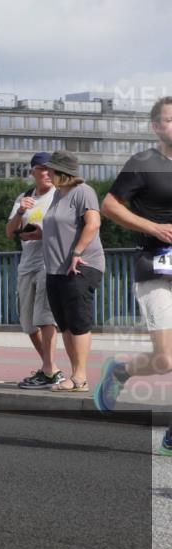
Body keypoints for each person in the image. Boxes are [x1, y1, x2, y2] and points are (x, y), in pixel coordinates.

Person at [95, 96, 172, 456]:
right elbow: (109, 206)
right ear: (156, 127)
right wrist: (152, 227)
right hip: (155, 267)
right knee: (166, 359)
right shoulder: (143, 163)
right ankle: (120, 372)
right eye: (169, 120)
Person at [40, 150, 105, 393]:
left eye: (51, 169)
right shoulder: (58, 195)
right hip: (56, 268)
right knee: (65, 324)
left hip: (81, 266)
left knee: (78, 322)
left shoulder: (83, 192)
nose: (47, 172)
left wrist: (77, 252)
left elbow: (94, 223)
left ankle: (80, 377)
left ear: (63, 172)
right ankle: (75, 375)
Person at [5, 152, 62, 389]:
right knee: (28, 322)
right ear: (33, 172)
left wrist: (43, 233)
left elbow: (70, 228)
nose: (47, 173)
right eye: (41, 169)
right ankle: (51, 369)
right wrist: (20, 212)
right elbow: (9, 232)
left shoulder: (60, 196)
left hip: (49, 262)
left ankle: (48, 370)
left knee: (45, 317)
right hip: (26, 264)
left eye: (50, 169)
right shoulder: (25, 196)